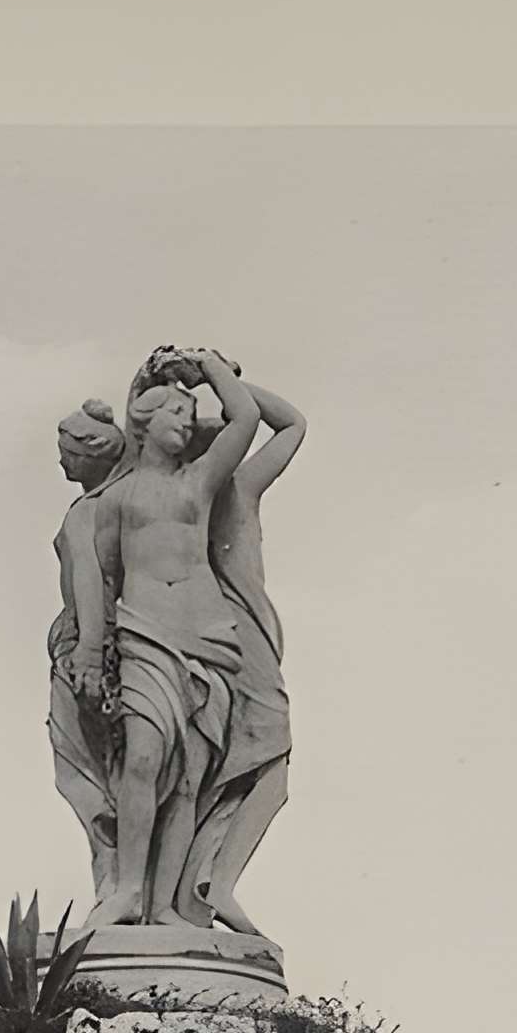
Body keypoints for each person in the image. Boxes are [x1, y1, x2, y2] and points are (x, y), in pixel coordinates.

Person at [72, 347, 262, 930]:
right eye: (175, 412)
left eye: (191, 414)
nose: (187, 420)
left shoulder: (200, 482)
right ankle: (128, 889)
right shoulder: (115, 498)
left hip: (208, 640)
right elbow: (95, 577)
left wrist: (206, 367)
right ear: (142, 420)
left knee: (186, 779)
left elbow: (248, 419)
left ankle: (164, 907)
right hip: (145, 635)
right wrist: (87, 647)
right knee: (145, 758)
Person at [175, 370, 306, 941]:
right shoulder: (235, 490)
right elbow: (293, 423)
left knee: (229, 776)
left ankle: (204, 886)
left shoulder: (190, 496)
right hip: (243, 643)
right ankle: (216, 883)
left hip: (227, 637)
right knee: (268, 774)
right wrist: (224, 375)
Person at [45, 399, 131, 903]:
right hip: (114, 647)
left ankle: (115, 887)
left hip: (87, 652)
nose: (62, 463)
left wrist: (88, 654)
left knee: (90, 781)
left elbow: (89, 579)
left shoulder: (88, 511)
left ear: (96, 454)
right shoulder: (126, 499)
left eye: (69, 453)